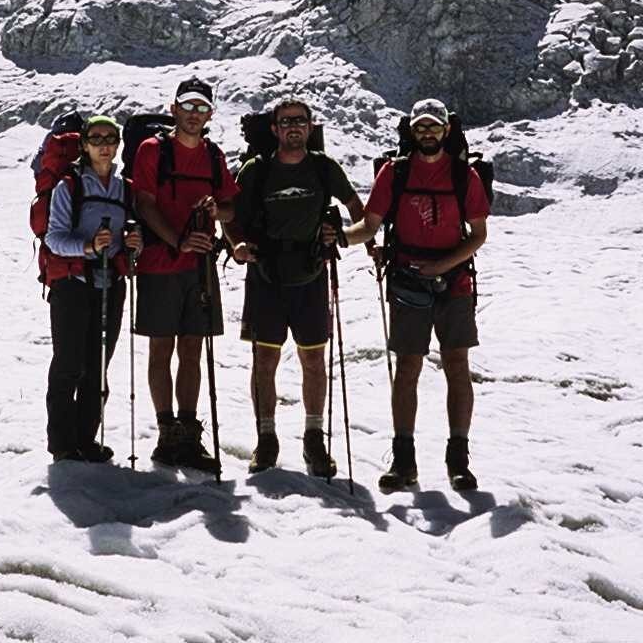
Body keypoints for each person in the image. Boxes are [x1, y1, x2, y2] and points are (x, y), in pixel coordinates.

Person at [342, 98, 489, 491]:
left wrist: (443, 266)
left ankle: (458, 459)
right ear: (412, 131)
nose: (427, 133)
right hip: (408, 280)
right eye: (421, 126)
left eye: (434, 126)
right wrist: (338, 237)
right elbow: (369, 226)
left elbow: (478, 235)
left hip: (453, 279)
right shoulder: (395, 172)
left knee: (456, 365)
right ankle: (404, 461)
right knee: (409, 368)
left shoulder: (464, 176)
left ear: (445, 131)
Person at [225, 98, 364, 477]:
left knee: (313, 360)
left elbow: (357, 208)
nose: (293, 127)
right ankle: (266, 438)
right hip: (266, 274)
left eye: (299, 121)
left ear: (310, 126)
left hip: (311, 273)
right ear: (274, 129)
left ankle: (314, 438)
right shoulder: (257, 169)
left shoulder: (323, 167)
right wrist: (235, 246)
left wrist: (351, 240)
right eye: (285, 122)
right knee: (265, 361)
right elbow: (229, 214)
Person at [132, 77, 239, 472]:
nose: (194, 115)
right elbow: (144, 203)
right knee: (161, 349)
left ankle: (188, 431)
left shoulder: (214, 157)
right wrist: (179, 240)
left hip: (200, 266)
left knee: (192, 347)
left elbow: (230, 210)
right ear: (174, 109)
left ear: (210, 114)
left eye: (201, 108)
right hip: (161, 264)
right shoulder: (152, 150)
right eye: (188, 107)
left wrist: (216, 212)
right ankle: (167, 431)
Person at [44, 115, 142, 463]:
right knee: (70, 363)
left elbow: (133, 241)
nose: (104, 144)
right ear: (84, 145)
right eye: (96, 138)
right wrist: (88, 248)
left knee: (97, 364)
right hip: (73, 284)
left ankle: (86, 438)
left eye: (110, 138)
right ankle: (62, 444)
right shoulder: (68, 186)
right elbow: (54, 238)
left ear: (117, 145)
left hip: (110, 286)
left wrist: (133, 243)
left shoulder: (125, 188)